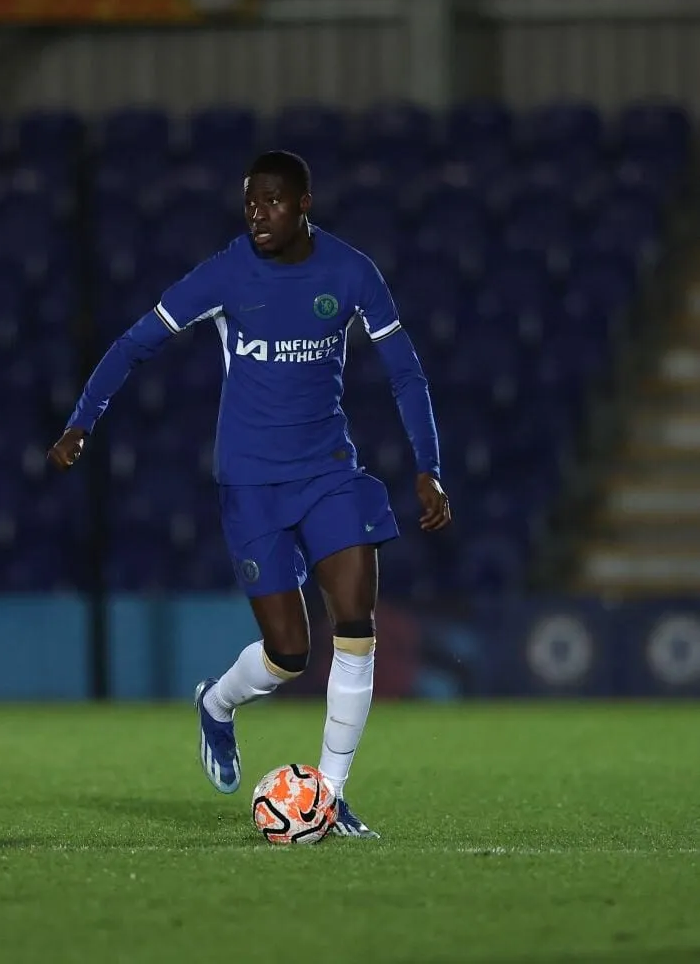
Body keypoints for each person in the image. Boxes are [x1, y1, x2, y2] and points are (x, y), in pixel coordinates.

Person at [48, 150, 450, 839]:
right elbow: (135, 342)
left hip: (328, 472)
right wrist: (82, 419)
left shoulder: (350, 272)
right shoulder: (227, 273)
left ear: (304, 205)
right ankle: (217, 703)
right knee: (288, 653)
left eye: (271, 202)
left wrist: (428, 465)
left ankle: (329, 797)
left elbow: (405, 372)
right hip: (250, 482)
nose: (258, 214)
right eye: (250, 204)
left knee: (355, 619)